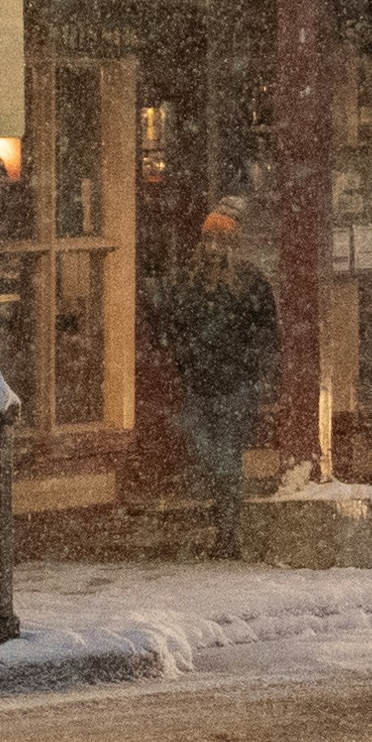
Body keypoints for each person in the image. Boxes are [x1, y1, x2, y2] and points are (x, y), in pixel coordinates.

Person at [142, 191, 278, 523]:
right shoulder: (190, 282)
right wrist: (185, 358)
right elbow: (174, 323)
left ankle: (228, 526)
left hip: (235, 386)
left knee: (227, 455)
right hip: (200, 383)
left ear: (234, 244)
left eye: (222, 240)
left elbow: (267, 330)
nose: (214, 248)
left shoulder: (250, 283)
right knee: (202, 449)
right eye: (209, 240)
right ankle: (224, 509)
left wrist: (249, 366)